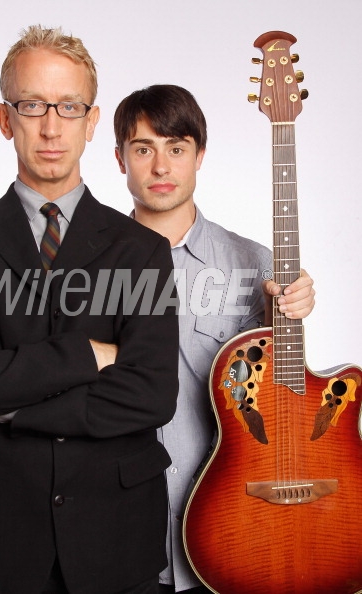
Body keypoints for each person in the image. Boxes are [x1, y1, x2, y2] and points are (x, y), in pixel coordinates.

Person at [0, 28, 180, 594]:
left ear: (92, 119)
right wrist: (84, 355)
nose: (51, 127)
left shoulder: (143, 251)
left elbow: (151, 395)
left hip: (120, 542)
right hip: (1, 543)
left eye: (69, 107)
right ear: (5, 119)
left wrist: (7, 403)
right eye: (32, 106)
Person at [113, 84, 315, 594]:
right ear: (120, 159)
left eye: (176, 148)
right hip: (121, 539)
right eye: (144, 149)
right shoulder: (87, 268)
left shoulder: (258, 264)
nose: (161, 167)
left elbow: (281, 405)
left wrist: (287, 316)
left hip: (234, 527)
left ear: (199, 155)